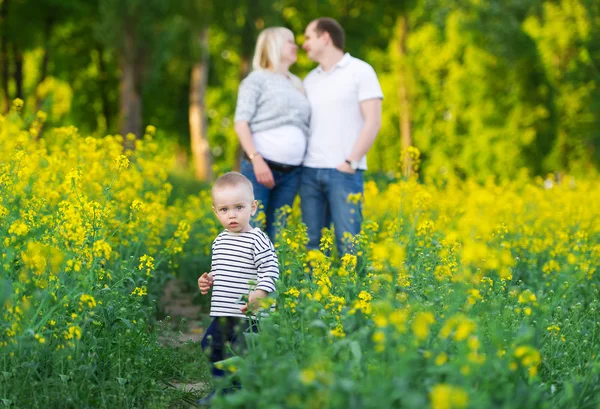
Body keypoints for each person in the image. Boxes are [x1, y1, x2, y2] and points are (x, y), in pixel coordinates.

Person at [300, 17, 383, 255]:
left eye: (308, 37)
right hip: (309, 172)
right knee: (312, 246)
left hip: (344, 172)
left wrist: (350, 162)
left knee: (349, 245)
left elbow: (374, 121)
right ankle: (313, 293)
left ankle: (354, 293)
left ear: (325, 37)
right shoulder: (309, 79)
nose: (304, 44)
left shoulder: (360, 71)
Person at [196, 172, 279, 404]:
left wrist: (261, 292)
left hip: (249, 314)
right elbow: (221, 269)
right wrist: (208, 279)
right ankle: (223, 388)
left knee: (245, 353)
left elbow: (271, 269)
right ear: (216, 212)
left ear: (252, 208)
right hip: (224, 313)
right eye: (224, 210)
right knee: (211, 346)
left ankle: (246, 391)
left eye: (238, 207)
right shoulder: (220, 240)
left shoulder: (257, 239)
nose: (231, 215)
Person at [234, 27, 311, 242]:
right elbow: (241, 123)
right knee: (252, 230)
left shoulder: (297, 83)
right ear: (273, 45)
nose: (296, 46)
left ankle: (272, 277)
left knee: (279, 235)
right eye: (290, 41)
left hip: (292, 172)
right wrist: (256, 160)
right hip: (260, 167)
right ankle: (244, 276)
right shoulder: (256, 79)